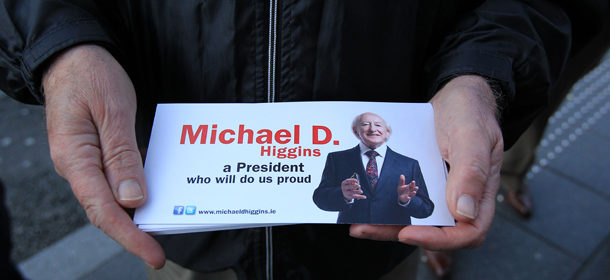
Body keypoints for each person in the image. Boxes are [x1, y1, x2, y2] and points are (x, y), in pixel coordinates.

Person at [0, 1, 606, 279]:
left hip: (371, 252)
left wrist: (480, 72)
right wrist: (63, 46)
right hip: (185, 235)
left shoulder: (398, 158)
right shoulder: (343, 158)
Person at [313, 112, 434, 224]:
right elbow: (320, 198)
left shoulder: (409, 164)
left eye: (378, 125)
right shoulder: (337, 159)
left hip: (395, 236)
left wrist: (406, 200)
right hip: (349, 233)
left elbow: (426, 209)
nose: (372, 129)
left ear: (387, 133)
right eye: (366, 124)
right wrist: (343, 195)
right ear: (356, 131)